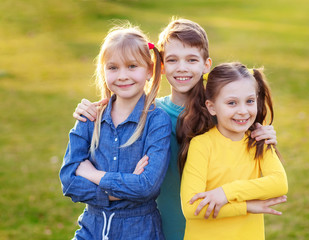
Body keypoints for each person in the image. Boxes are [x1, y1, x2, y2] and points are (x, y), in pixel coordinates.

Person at [72, 18, 279, 240]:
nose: (182, 68)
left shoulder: (221, 113)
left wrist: (265, 133)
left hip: (218, 224)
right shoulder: (148, 116)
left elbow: (248, 147)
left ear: (206, 64)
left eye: (191, 59)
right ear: (160, 66)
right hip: (158, 225)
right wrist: (90, 109)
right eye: (172, 60)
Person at [59, 24, 172, 240]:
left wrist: (93, 175)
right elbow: (69, 181)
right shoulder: (90, 117)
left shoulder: (156, 121)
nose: (122, 76)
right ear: (103, 71)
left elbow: (146, 187)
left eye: (132, 66)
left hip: (139, 231)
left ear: (149, 70)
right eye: (113, 68)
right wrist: (120, 192)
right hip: (91, 228)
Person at [179, 62, 288, 240]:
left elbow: (279, 184)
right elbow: (191, 207)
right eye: (232, 103)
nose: (243, 111)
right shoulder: (201, 145)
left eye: (250, 101)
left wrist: (226, 193)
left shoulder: (259, 140)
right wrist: (245, 206)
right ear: (212, 107)